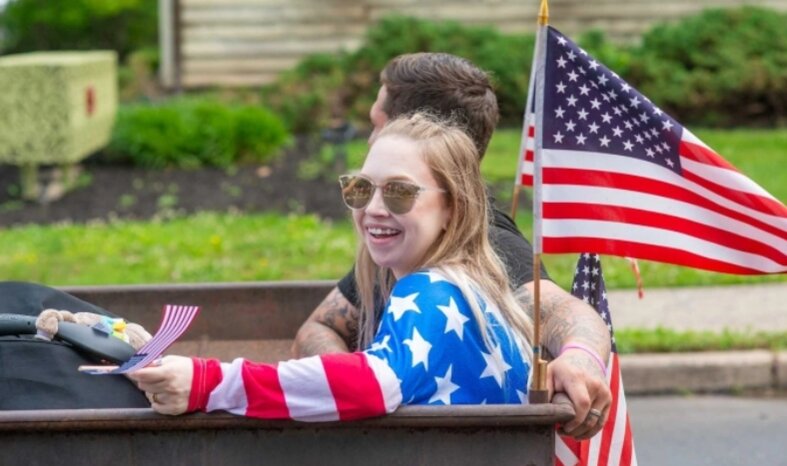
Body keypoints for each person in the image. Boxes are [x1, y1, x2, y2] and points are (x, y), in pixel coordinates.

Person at [129, 113, 537, 419]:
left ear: (453, 207)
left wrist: (210, 382)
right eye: (361, 188)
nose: (373, 208)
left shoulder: (433, 292)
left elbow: (372, 384)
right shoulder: (472, 289)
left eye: (399, 192)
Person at [291, 52, 612, 439]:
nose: (371, 139)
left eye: (377, 125)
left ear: (415, 131)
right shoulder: (404, 241)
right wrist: (346, 383)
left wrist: (582, 357)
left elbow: (563, 310)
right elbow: (320, 326)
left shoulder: (487, 241)